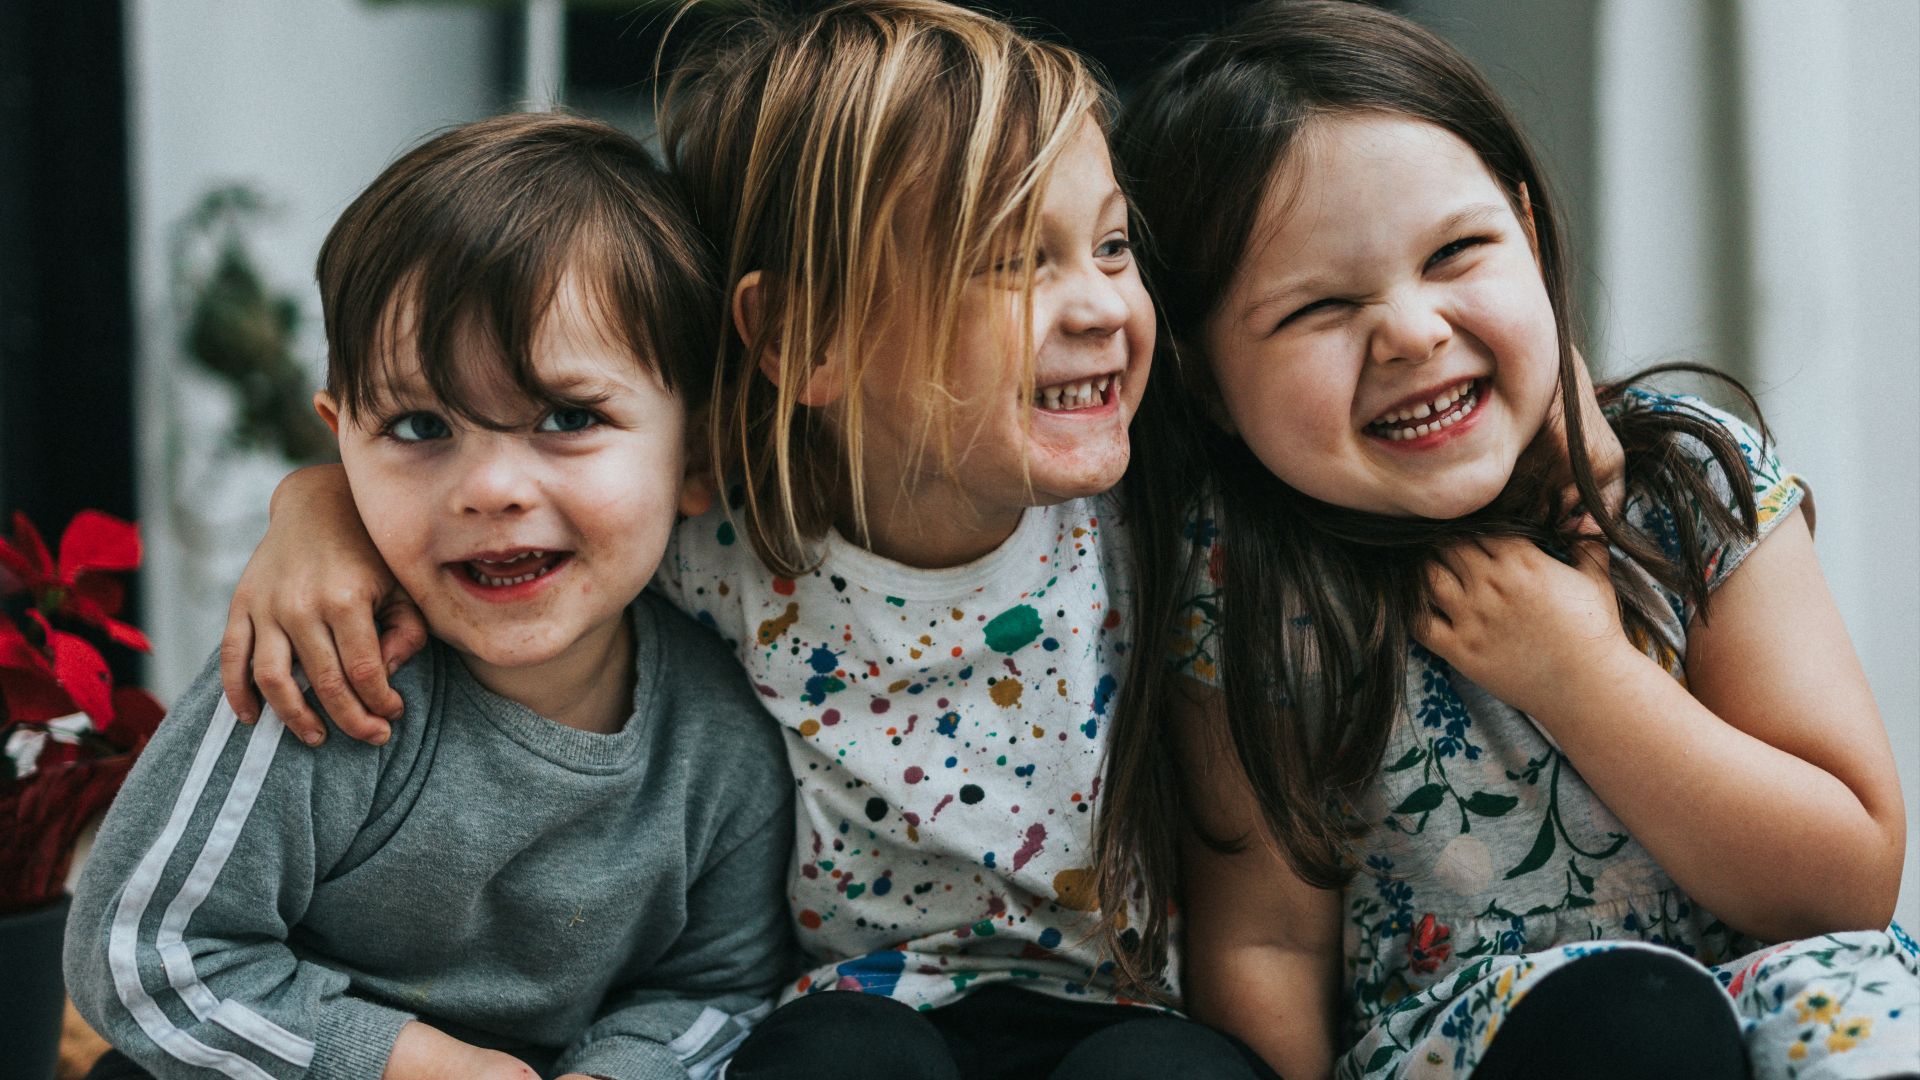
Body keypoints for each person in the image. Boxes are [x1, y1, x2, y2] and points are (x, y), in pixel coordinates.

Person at [206, 3, 1278, 1078]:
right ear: (806, 340)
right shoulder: (724, 535)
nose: (1099, 306)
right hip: (851, 1012)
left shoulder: (1165, 521)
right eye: (1010, 260)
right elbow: (545, 507)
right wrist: (323, 508)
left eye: (1110, 246)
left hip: (1118, 1008)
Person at [1096, 3, 1919, 1079]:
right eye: (1319, 308)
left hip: (1766, 1002)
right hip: (1476, 1040)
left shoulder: (1689, 484)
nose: (1411, 331)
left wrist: (1583, 678)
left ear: (1527, 233)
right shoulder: (1247, 585)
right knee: (1631, 1025)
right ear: (1202, 377)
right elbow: (1267, 945)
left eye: (1456, 252)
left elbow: (1846, 886)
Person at [65, 112, 793, 1080]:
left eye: (567, 416)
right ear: (340, 442)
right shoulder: (321, 677)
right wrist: (418, 1068)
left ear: (696, 453)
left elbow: (719, 991)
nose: (490, 488)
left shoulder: (722, 743)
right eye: (419, 426)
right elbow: (139, 952)